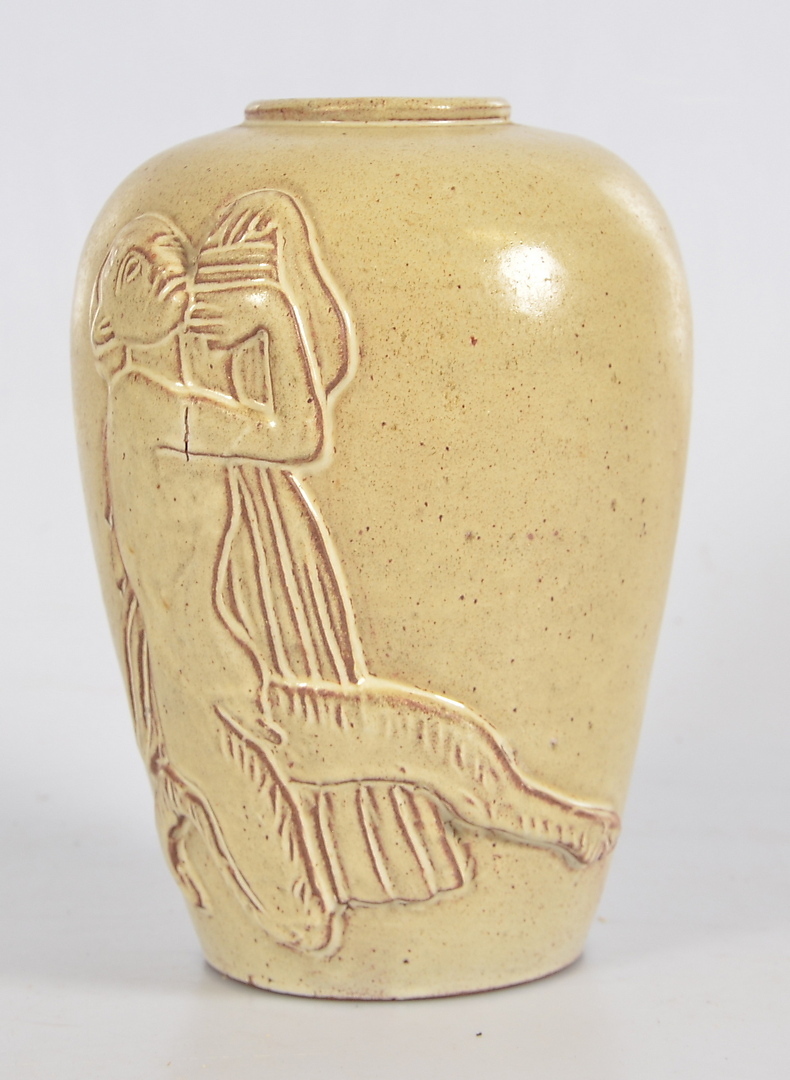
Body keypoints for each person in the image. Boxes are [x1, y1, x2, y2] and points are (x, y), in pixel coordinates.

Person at [90, 191, 620, 956]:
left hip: (252, 697)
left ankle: (564, 826)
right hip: (205, 718)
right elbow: (297, 437)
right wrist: (273, 316)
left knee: (439, 742)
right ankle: (196, 810)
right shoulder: (144, 407)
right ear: (107, 316)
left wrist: (274, 311)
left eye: (174, 257)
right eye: (137, 266)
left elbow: (293, 437)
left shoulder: (178, 400)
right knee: (304, 927)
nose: (164, 268)